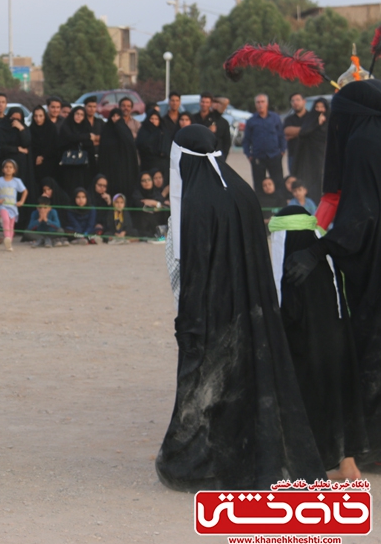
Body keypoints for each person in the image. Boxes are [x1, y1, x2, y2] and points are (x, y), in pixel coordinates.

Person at [156, 124, 325, 492]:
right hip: (251, 312)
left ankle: (194, 464)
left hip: (212, 316)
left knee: (207, 388)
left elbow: (192, 270)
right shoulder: (242, 191)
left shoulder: (198, 203)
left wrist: (190, 323)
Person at [286, 80, 381, 464]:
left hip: (374, 264)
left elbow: (364, 216)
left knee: (370, 344)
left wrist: (319, 250)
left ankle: (370, 445)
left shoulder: (362, 144)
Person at [269, 206, 367, 479]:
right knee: (339, 395)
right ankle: (348, 464)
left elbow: (284, 312)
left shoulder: (292, 261)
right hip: (337, 343)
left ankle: (309, 469)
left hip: (307, 352)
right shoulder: (322, 254)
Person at [0, 106, 35, 229]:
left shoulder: (24, 128)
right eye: (13, 119)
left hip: (22, 167)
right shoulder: (2, 129)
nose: (15, 121)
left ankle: (22, 222)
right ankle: (9, 223)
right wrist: (17, 149)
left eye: (19, 119)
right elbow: (1, 146)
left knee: (20, 190)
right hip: (7, 165)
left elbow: (27, 142)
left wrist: (21, 128)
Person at [242, 93, 286, 194]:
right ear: (255, 104)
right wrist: (249, 155)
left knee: (278, 182)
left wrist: (282, 151)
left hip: (274, 155)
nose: (260, 104)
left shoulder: (275, 118)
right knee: (258, 184)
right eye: (258, 102)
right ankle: (261, 206)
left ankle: (279, 205)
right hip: (258, 157)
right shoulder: (251, 121)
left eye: (262, 102)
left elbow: (281, 135)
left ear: (267, 103)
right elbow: (246, 140)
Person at [97, 108, 139, 200]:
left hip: (124, 168)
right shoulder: (106, 130)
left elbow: (130, 147)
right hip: (109, 168)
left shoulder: (125, 130)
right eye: (113, 116)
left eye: (118, 116)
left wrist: (119, 128)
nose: (115, 118)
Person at [0, 159, 28, 252]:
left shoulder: (17, 181)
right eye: (6, 167)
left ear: (14, 170)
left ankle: (9, 243)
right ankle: (7, 238)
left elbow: (25, 191)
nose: (8, 169)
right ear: (3, 169)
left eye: (11, 167)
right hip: (3, 206)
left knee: (11, 226)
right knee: (5, 220)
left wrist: (21, 201)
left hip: (13, 207)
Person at [55, 106, 93, 195]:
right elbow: (69, 138)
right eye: (77, 114)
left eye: (81, 115)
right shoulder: (66, 126)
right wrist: (87, 136)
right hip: (68, 165)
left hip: (82, 166)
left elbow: (89, 144)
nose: (79, 116)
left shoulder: (86, 127)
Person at [295, 97, 328, 198]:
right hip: (310, 157)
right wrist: (317, 124)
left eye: (322, 107)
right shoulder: (310, 119)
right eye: (317, 107)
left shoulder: (330, 120)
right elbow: (303, 132)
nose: (319, 110)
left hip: (324, 155)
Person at [190, 92, 231, 164]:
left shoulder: (215, 116)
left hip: (214, 157)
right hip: (197, 156)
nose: (204, 104)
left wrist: (224, 157)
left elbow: (226, 101)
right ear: (199, 102)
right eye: (202, 102)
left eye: (207, 102)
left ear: (211, 103)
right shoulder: (194, 118)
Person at [30, 105, 59, 184]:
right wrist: (36, 157)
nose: (38, 119)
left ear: (44, 116)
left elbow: (55, 145)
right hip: (35, 164)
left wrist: (43, 156)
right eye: (35, 116)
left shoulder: (51, 128)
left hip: (50, 163)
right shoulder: (31, 129)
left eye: (40, 116)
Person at [130, 171, 164, 238]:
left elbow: (163, 206)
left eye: (149, 180)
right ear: (140, 183)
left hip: (157, 224)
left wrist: (154, 203)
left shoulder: (157, 193)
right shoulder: (136, 194)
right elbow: (141, 206)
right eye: (144, 180)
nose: (147, 182)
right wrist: (157, 206)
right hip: (141, 227)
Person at [136, 109, 167, 175]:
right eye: (152, 118)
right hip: (147, 165)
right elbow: (141, 145)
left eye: (156, 119)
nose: (154, 121)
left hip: (162, 166)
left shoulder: (163, 132)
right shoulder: (143, 132)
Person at [283, 92, 308, 174]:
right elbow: (287, 131)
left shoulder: (311, 117)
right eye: (292, 101)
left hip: (309, 155)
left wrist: (294, 134)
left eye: (298, 100)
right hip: (293, 155)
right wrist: (307, 131)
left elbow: (316, 132)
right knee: (294, 182)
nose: (295, 103)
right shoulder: (288, 119)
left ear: (304, 101)